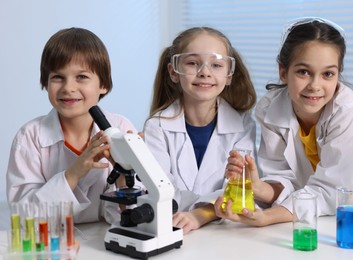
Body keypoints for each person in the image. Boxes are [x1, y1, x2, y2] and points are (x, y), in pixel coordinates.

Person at [214, 17, 353, 227]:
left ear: (338, 75)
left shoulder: (346, 110)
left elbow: (329, 190)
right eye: (304, 72)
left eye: (328, 74)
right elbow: (290, 181)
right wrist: (258, 187)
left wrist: (268, 217)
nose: (315, 85)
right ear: (283, 72)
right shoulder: (270, 109)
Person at [6, 27, 138, 224]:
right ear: (45, 82)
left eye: (82, 77)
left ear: (103, 85)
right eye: (58, 77)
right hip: (53, 245)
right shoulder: (30, 136)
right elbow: (25, 218)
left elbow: (130, 215)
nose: (68, 88)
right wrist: (74, 173)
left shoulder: (120, 126)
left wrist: (124, 179)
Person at [143, 27, 257, 234]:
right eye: (192, 63)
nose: (205, 72)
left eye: (216, 65)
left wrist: (201, 214)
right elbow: (161, 191)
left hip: (226, 232)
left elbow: (238, 192)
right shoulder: (156, 127)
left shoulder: (244, 125)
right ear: (173, 72)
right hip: (173, 229)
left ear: (229, 75)